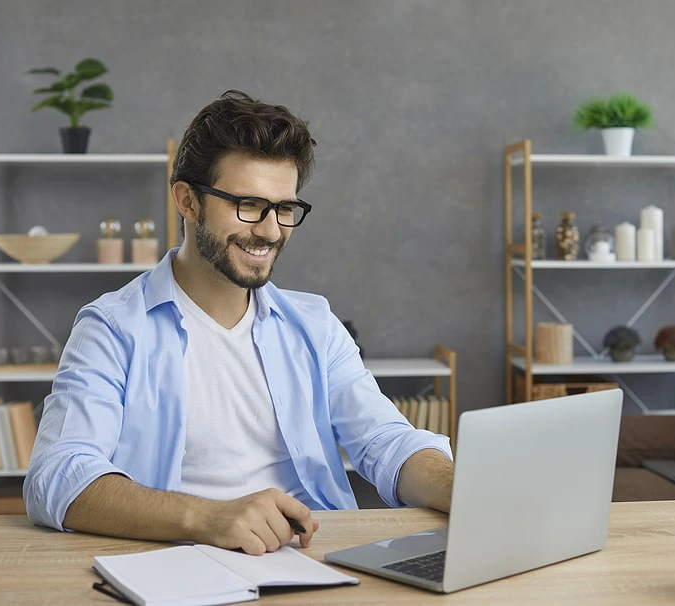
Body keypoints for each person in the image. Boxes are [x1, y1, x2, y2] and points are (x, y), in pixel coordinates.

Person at [24, 90, 454, 555]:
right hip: (176, 564)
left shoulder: (315, 325)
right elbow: (57, 474)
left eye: (285, 209)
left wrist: (464, 490)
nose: (270, 230)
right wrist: (208, 518)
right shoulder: (112, 328)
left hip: (315, 560)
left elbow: (385, 441)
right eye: (247, 204)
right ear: (188, 201)